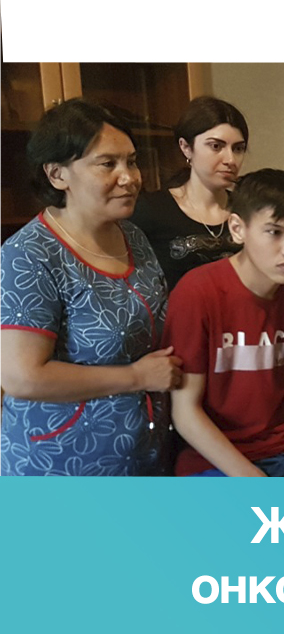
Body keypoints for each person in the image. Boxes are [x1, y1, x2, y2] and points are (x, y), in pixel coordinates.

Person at [0, 98, 182, 476]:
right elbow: (21, 376)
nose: (129, 177)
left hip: (143, 456)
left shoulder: (133, 236)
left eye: (132, 161)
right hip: (62, 466)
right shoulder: (28, 255)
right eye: (107, 164)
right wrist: (136, 377)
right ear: (57, 174)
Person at [164, 169, 284, 476]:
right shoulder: (197, 292)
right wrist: (253, 480)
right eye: (275, 232)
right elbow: (186, 412)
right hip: (211, 458)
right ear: (238, 229)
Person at [129, 96, 247, 289]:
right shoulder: (151, 211)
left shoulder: (249, 210)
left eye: (238, 148)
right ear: (186, 147)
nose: (230, 160)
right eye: (216, 146)